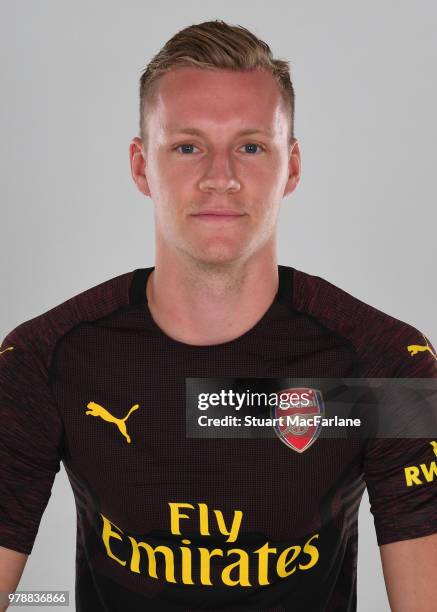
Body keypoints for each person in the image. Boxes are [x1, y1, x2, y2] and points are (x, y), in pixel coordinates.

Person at [1, 19, 436, 612]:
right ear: (139, 166)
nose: (221, 177)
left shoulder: (386, 368)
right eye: (187, 146)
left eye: (251, 146)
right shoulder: (46, 358)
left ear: (293, 166)